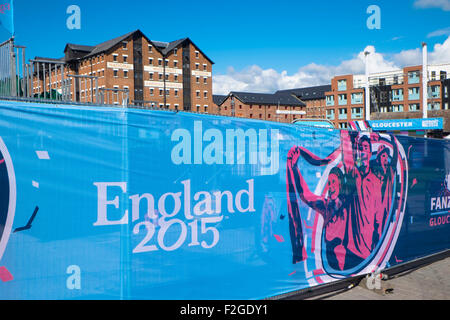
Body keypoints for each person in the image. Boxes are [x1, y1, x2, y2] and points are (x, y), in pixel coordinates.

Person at [287, 147, 348, 269]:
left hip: (348, 257)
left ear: (341, 184)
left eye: (333, 182)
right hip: (332, 261)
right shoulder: (327, 206)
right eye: (329, 183)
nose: (330, 187)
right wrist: (293, 169)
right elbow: (306, 195)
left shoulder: (349, 203)